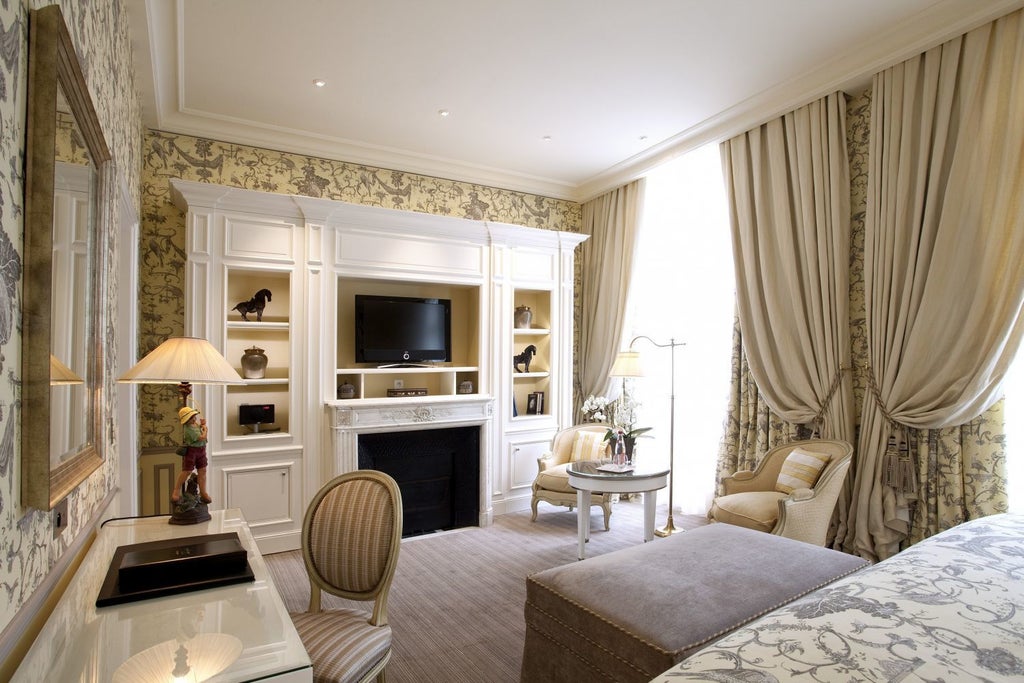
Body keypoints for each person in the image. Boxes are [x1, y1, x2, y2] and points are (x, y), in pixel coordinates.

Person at [173, 406, 212, 505]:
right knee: (187, 471)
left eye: (194, 416)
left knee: (202, 470)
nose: (194, 419)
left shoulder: (195, 424)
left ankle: (203, 492)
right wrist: (205, 429)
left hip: (201, 450)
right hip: (192, 451)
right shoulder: (188, 429)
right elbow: (202, 437)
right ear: (186, 420)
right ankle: (176, 490)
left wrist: (202, 425)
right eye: (191, 418)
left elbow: (200, 429)